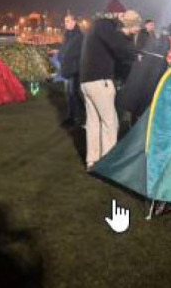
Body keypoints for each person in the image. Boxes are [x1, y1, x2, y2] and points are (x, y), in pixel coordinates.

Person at [80, 10, 141, 170]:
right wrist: (134, 52)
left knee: (93, 123)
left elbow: (115, 47)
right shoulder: (106, 26)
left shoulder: (97, 26)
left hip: (86, 81)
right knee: (110, 122)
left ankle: (92, 161)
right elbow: (121, 48)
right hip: (100, 81)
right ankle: (108, 164)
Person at [56, 14, 84, 126]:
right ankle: (70, 116)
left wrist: (64, 57)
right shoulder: (67, 35)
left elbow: (74, 52)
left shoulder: (79, 36)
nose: (65, 23)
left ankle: (78, 117)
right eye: (65, 21)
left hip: (74, 69)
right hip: (67, 68)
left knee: (74, 93)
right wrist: (60, 56)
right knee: (68, 94)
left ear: (74, 22)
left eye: (68, 21)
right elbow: (64, 50)